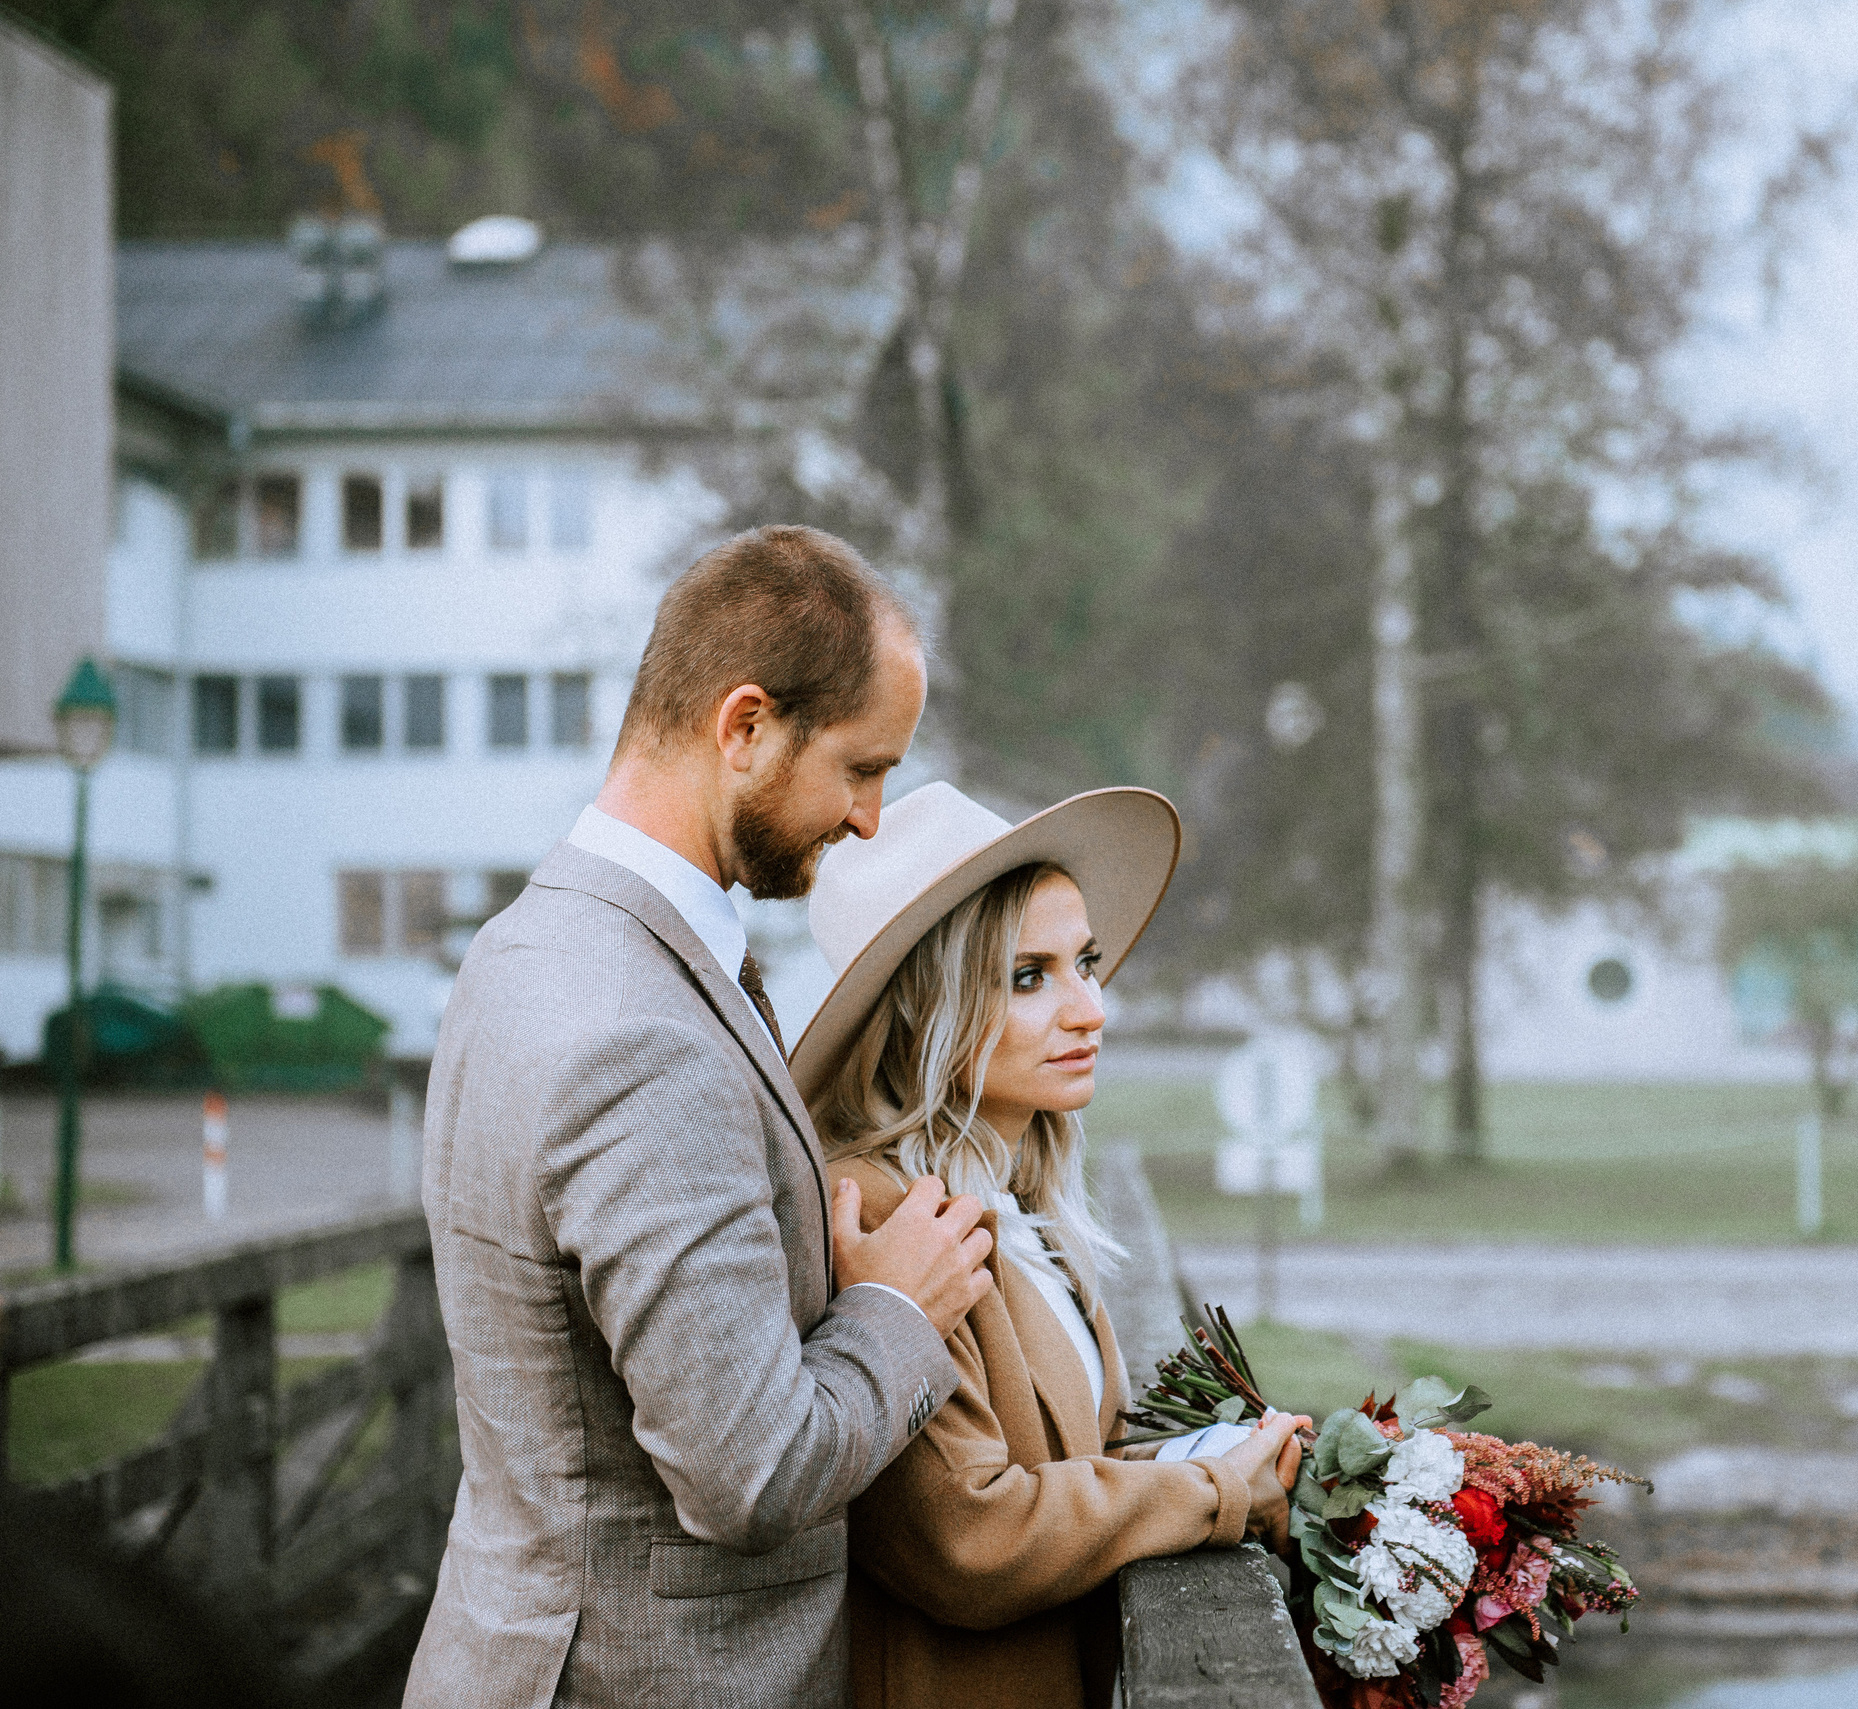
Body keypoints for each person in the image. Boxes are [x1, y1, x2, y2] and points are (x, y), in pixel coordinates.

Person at [406, 525, 996, 1709]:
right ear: (744, 726)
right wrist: (895, 1306)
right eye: (860, 767)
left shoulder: (524, 943)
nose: (873, 818)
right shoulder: (641, 1034)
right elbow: (753, 1472)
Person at [787, 781, 1307, 1709]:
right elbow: (968, 1537)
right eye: (1029, 977)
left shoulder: (1023, 1199)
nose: (1089, 1009)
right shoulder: (876, 1215)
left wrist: (1233, 1454)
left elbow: (1070, 1466)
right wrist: (1209, 1489)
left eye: (1086, 963)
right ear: (923, 1009)